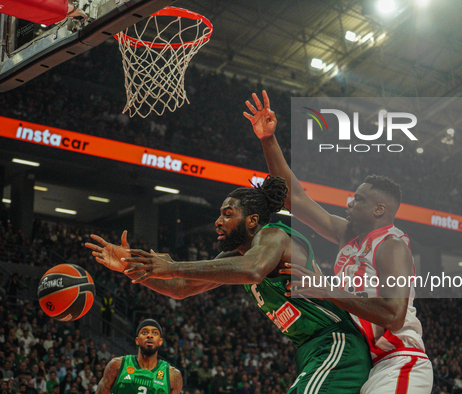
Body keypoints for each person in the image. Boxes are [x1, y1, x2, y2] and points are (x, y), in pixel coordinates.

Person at [85, 176, 371, 394]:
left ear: (252, 221)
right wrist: (131, 267)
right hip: (311, 350)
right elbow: (182, 287)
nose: (218, 221)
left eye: (227, 214)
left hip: (337, 342)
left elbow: (254, 270)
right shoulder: (238, 254)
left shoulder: (274, 238)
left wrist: (171, 265)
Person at [243, 91, 433, 393]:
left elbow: (394, 316)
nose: (348, 203)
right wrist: (267, 138)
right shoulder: (349, 235)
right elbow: (296, 199)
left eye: (357, 199)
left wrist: (328, 291)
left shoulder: (392, 246)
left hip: (397, 358)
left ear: (379, 209)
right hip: (360, 359)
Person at [95, 319, 182, 394]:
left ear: (160, 341)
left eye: (155, 333)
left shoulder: (173, 375)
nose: (149, 335)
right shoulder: (117, 365)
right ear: (137, 340)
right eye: (144, 332)